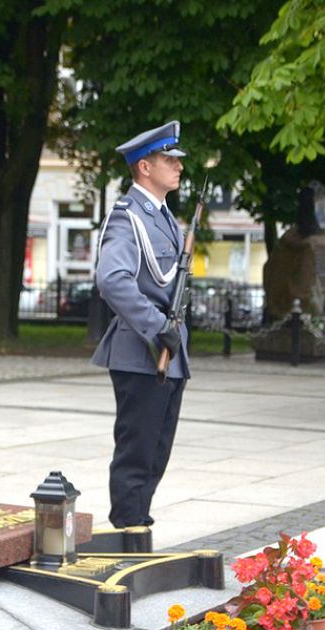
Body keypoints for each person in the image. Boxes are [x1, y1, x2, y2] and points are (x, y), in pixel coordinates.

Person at [91, 121, 190, 529]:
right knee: (137, 449)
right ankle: (128, 530)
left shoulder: (164, 218)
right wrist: (156, 327)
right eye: (169, 160)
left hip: (168, 349)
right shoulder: (128, 218)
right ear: (145, 167)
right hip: (143, 350)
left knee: (157, 449)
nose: (178, 167)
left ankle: (139, 523)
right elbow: (112, 279)